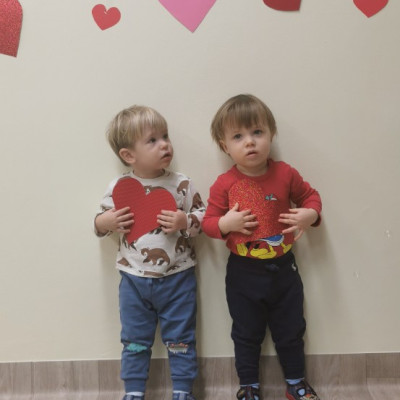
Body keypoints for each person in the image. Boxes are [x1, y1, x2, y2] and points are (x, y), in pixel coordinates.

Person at [202, 94, 322, 400]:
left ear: (271, 134)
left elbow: (310, 197)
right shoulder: (224, 184)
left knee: (291, 329)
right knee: (246, 333)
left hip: (283, 268)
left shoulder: (285, 174)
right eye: (238, 137)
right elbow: (208, 223)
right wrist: (225, 224)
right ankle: (249, 387)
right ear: (224, 146)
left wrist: (310, 215)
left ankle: (296, 383)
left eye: (257, 132)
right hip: (243, 272)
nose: (250, 142)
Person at [94, 105, 205, 400]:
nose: (165, 144)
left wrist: (184, 221)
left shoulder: (181, 183)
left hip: (178, 278)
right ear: (129, 155)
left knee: (181, 339)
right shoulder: (120, 187)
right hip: (133, 280)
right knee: (134, 340)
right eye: (153, 140)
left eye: (165, 136)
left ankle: (182, 390)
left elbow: (204, 219)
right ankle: (133, 391)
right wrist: (106, 221)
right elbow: (99, 224)